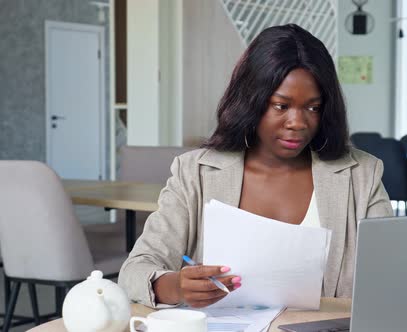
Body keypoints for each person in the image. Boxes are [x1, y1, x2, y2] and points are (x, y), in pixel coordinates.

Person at [119, 24, 393, 308]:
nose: (298, 122)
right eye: (281, 106)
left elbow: (392, 274)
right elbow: (134, 271)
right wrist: (175, 286)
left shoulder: (361, 176)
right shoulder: (195, 173)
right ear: (251, 101)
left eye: (312, 107)